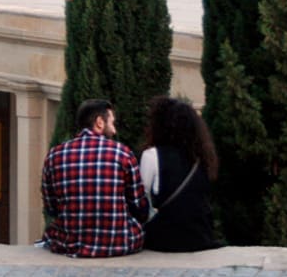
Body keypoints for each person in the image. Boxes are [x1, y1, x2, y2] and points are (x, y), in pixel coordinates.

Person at [40, 98, 149, 257]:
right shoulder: (123, 154)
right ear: (99, 122)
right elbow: (139, 207)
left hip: (68, 243)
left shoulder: (54, 155)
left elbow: (51, 207)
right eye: (112, 123)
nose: (114, 131)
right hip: (119, 243)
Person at [138, 96, 219, 252]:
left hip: (165, 237)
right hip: (201, 236)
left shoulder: (152, 155)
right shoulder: (203, 158)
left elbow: (142, 198)